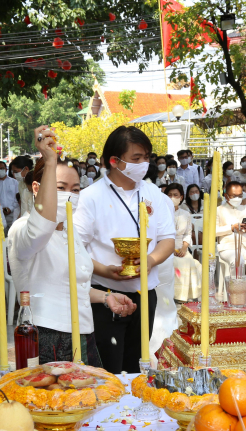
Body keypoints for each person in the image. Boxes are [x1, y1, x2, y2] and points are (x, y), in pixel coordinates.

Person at [9, 127, 136, 365]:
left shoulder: (69, 231)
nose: (70, 195)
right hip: (47, 334)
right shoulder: (23, 229)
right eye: (60, 188)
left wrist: (106, 297)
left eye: (75, 189)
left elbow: (70, 285)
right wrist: (48, 160)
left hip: (83, 330)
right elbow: (41, 227)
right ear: (37, 188)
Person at [74, 126, 175, 373]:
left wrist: (150, 260)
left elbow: (167, 240)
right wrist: (107, 271)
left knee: (136, 365)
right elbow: (75, 248)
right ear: (115, 161)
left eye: (146, 158)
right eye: (136, 159)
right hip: (105, 294)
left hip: (144, 293)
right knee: (108, 368)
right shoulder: (91, 196)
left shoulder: (153, 193)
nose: (144, 164)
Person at [164, 183, 202, 302]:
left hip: (181, 246)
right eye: (169, 195)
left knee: (189, 260)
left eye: (175, 195)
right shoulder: (161, 213)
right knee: (176, 262)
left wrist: (184, 248)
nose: (172, 197)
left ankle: (183, 296)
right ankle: (173, 295)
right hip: (164, 246)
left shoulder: (185, 214)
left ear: (181, 197)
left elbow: (187, 233)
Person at [0, 161, 19, 228]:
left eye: (2, 168)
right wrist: (0, 209)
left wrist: (10, 208)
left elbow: (17, 198)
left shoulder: (14, 182)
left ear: (6, 169)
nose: (0, 170)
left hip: (12, 213)